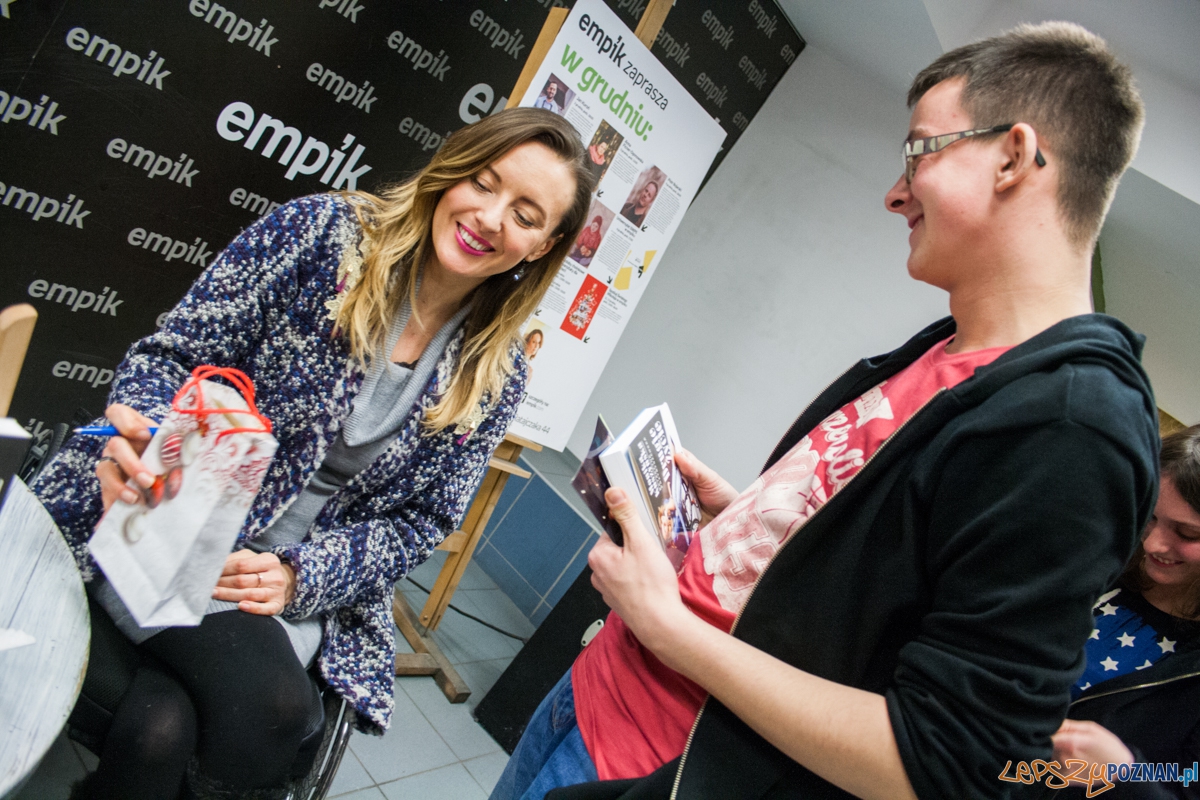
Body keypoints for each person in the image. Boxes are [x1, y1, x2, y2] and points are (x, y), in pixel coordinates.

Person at [491, 22, 1159, 800]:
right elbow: (879, 587)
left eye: (921, 151)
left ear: (1013, 156)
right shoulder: (946, 349)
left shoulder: (1073, 429)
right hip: (596, 689)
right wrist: (754, 520)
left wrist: (670, 630)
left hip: (659, 768)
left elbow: (938, 763)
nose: (896, 191)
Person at [35, 107, 594, 799]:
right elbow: (172, 355)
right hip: (171, 524)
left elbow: (424, 522)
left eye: (527, 214)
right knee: (275, 713)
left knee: (162, 730)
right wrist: (147, 441)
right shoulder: (321, 234)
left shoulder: (498, 372)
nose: (489, 216)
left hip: (287, 584)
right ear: (453, 170)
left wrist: (303, 576)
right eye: (484, 181)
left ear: (544, 245)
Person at [1046, 425, 1200, 799]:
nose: (1152, 543)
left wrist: (1123, 776)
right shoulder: (1099, 559)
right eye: (1150, 515)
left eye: (1188, 533)